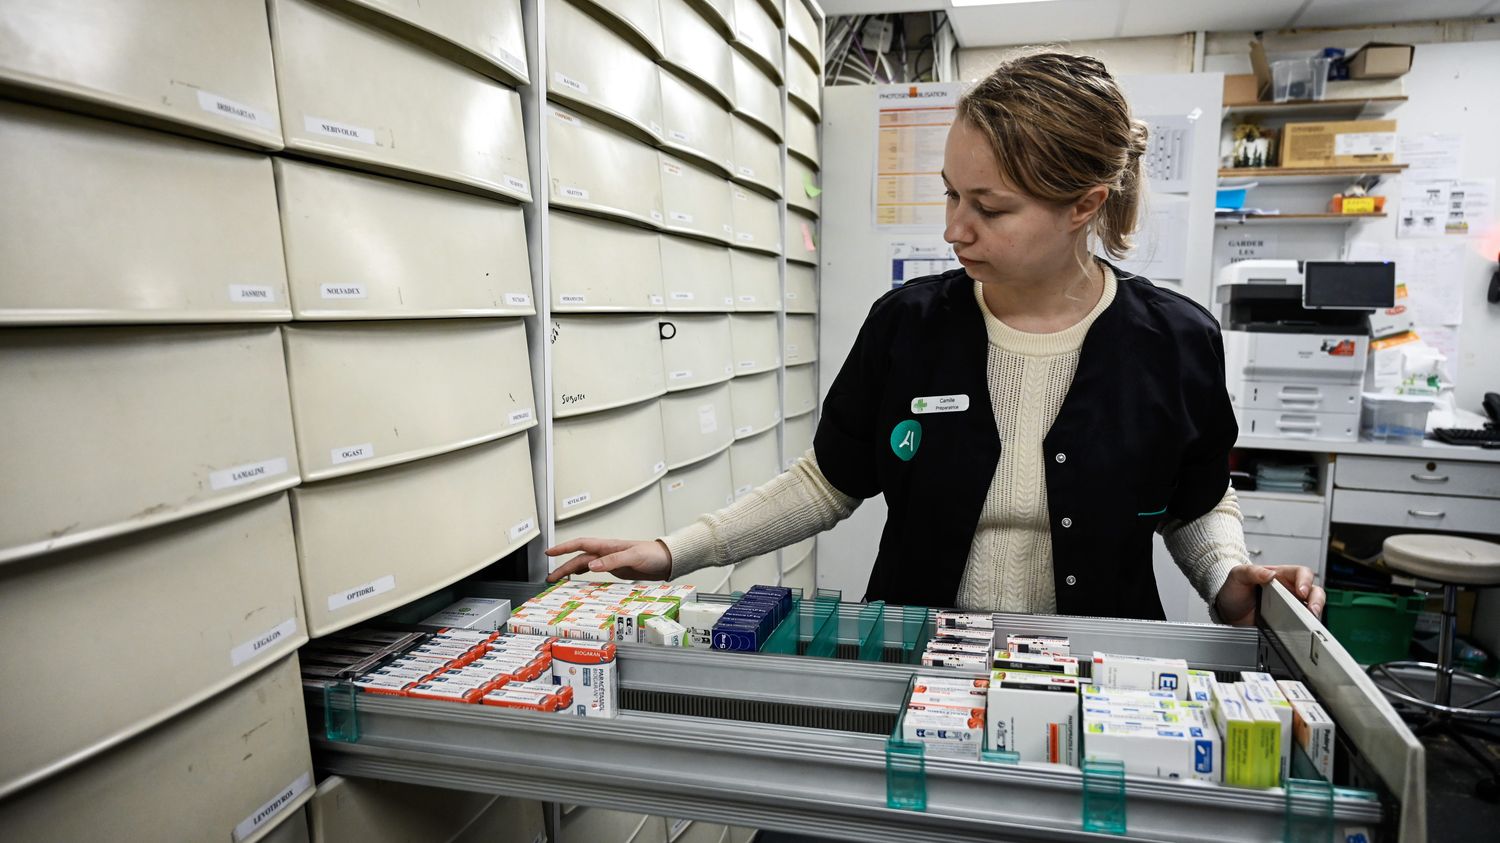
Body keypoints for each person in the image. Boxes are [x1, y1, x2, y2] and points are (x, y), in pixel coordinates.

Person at [547, 51, 1325, 626]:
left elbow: (1193, 505)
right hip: (913, 666)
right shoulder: (908, 324)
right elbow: (828, 482)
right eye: (951, 194)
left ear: (1084, 205)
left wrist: (1233, 580)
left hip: (1097, 677)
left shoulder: (1176, 341)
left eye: (989, 207)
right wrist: (676, 548)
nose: (954, 228)